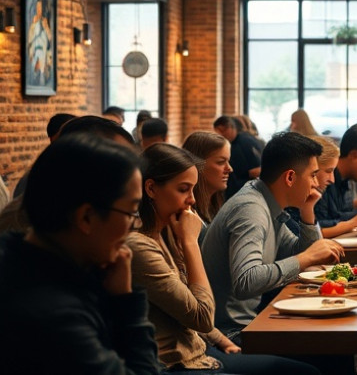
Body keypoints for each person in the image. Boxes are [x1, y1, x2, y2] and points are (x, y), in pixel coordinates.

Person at [128, 143, 318, 374]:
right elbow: (202, 316)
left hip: (203, 347)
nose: (192, 200)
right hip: (180, 362)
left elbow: (185, 306)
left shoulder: (167, 232)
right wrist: (190, 243)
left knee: (312, 362)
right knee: (310, 364)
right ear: (151, 189)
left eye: (193, 190)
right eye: (183, 189)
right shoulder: (142, 245)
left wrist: (218, 339)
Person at [0, 135, 159, 373]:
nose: (135, 225)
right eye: (131, 212)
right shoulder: (56, 320)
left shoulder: (16, 254)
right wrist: (126, 302)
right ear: (86, 217)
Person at [201, 131, 343, 340]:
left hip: (251, 322)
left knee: (331, 336)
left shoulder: (265, 201)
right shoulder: (251, 209)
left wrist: (307, 212)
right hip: (230, 334)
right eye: (313, 175)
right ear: (290, 177)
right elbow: (246, 281)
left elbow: (298, 253)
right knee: (331, 344)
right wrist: (307, 257)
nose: (316, 184)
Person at [314, 124, 357, 238]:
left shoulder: (346, 180)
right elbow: (319, 226)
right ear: (354, 155)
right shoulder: (323, 180)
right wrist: (354, 221)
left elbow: (339, 215)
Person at [182, 131, 232, 225]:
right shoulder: (186, 215)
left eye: (228, 161)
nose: (230, 169)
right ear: (198, 165)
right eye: (221, 162)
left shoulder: (216, 206)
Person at [213, 115, 261, 199]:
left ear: (232, 127)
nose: (221, 134)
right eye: (218, 132)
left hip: (243, 191)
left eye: (223, 130)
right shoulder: (231, 143)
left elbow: (257, 170)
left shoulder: (245, 141)